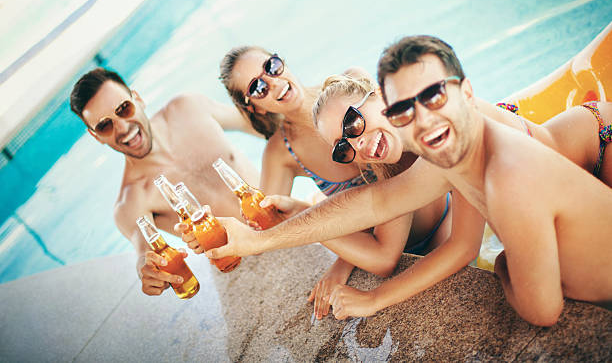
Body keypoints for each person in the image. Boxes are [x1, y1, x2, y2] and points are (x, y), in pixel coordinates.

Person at [206, 36, 612, 326]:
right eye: (344, 148)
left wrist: (507, 265)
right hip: (562, 186)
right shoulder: (444, 156)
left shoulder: (466, 148)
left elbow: (542, 310)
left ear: (381, 97)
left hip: (596, 146)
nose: (360, 145)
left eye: (355, 121)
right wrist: (374, 298)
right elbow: (377, 204)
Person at [214, 46, 451, 319]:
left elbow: (383, 207)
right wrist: (217, 238)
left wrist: (342, 262)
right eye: (258, 87)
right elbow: (268, 224)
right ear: (252, 106)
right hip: (384, 249)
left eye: (271, 67)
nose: (274, 81)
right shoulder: (282, 151)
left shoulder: (351, 93)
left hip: (436, 226)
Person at [69, 67, 259, 297]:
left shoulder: (188, 109)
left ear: (137, 99)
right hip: (239, 268)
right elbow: (145, 254)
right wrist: (147, 271)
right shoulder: (131, 201)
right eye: (104, 125)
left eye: (123, 109)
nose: (122, 128)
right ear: (95, 135)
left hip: (283, 221)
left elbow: (263, 124)